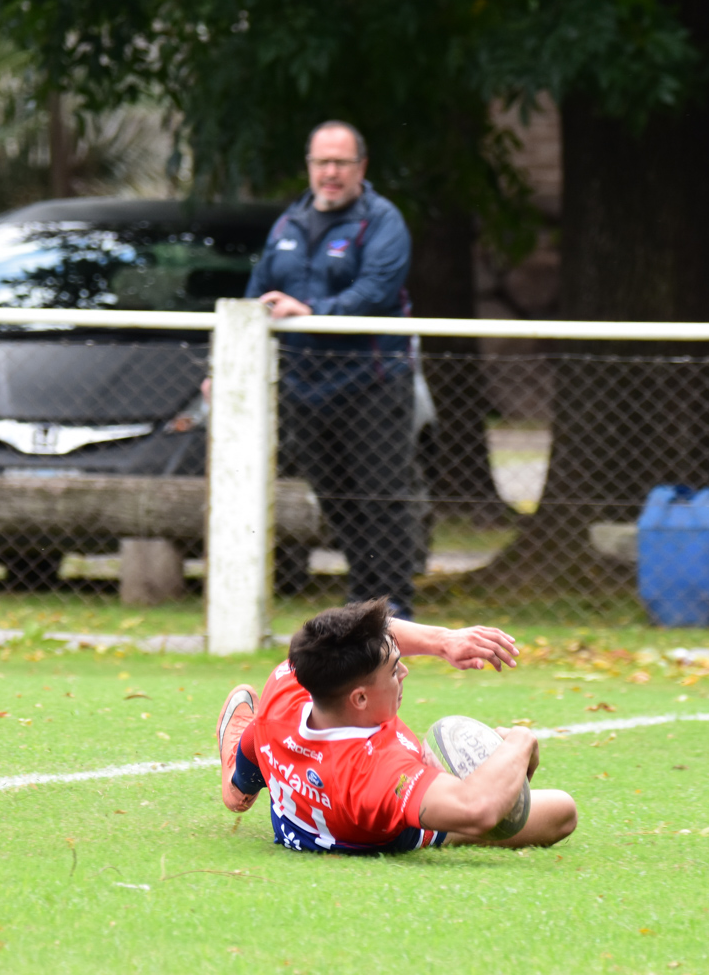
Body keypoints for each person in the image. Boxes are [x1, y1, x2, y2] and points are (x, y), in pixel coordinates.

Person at [215, 598, 577, 854]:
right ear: (359, 699)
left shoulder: (291, 680)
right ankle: (240, 779)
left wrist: (443, 641)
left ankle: (238, 781)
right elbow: (477, 810)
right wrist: (521, 740)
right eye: (393, 669)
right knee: (561, 809)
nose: (404, 671)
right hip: (379, 832)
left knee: (262, 728)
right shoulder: (381, 772)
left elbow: (351, 630)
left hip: (296, 805)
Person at [246, 120, 420, 618]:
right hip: (306, 388)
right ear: (309, 166)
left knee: (381, 500)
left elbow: (374, 294)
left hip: (372, 384)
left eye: (341, 162)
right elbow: (256, 294)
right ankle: (363, 606)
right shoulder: (288, 224)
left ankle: (395, 613)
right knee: (337, 500)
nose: (331, 172)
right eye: (322, 162)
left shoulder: (383, 221)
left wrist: (312, 312)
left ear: (361, 167)